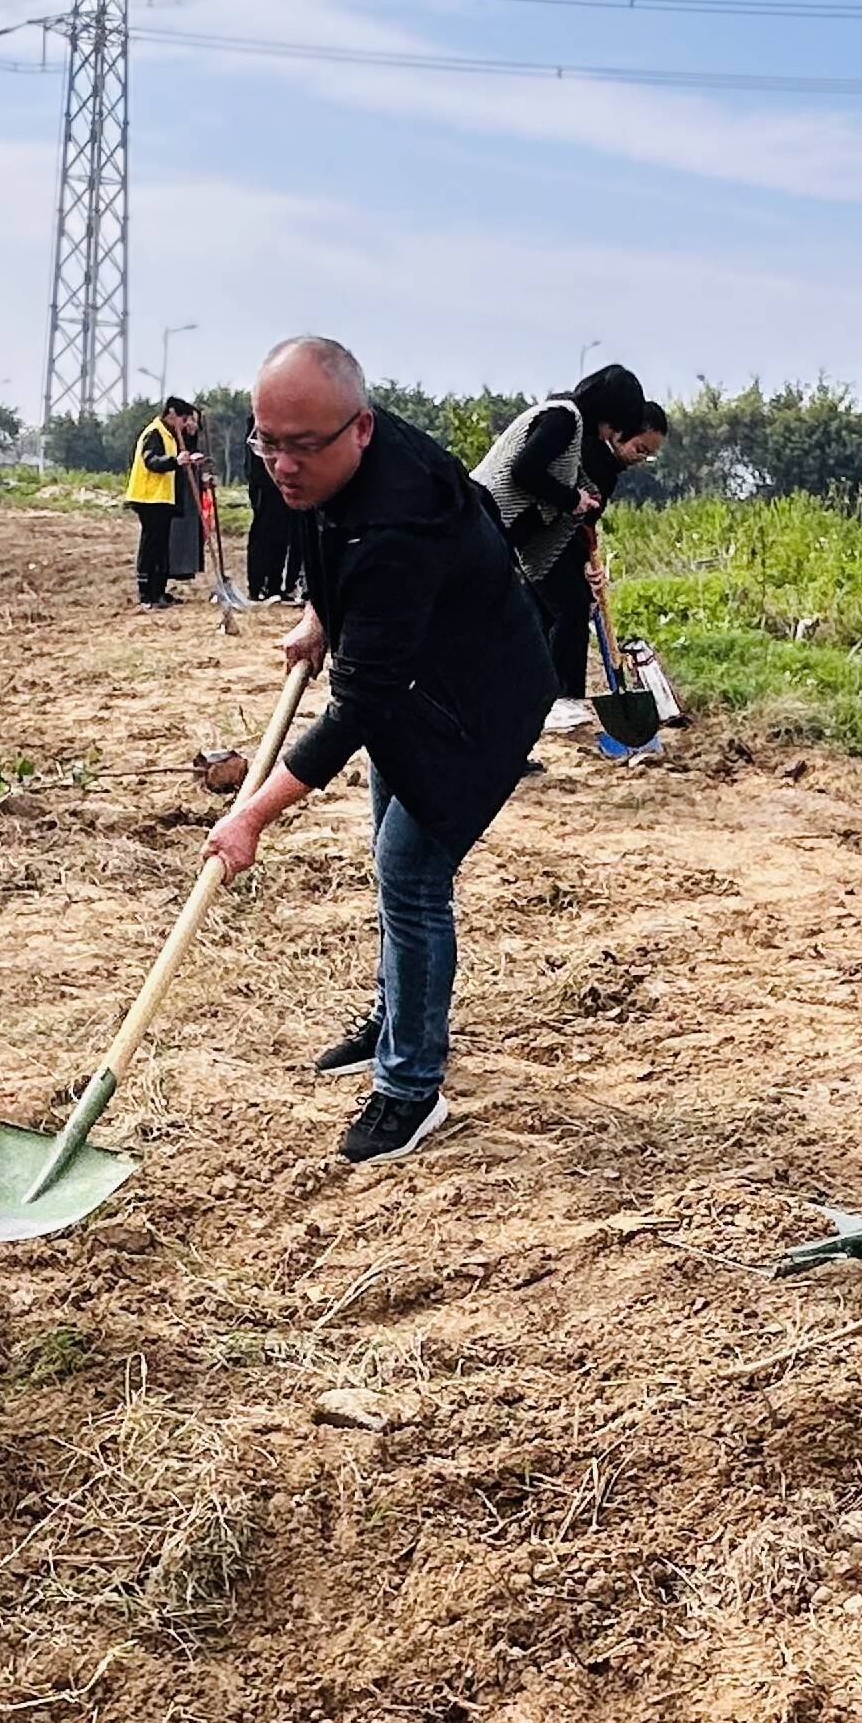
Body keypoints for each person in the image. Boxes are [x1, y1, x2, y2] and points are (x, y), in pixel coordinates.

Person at [205, 338, 556, 1164]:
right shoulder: (342, 449)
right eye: (267, 440)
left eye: (301, 446)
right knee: (388, 859)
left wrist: (252, 814)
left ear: (359, 428)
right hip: (409, 676)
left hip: (479, 703)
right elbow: (349, 551)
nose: (281, 464)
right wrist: (324, 617)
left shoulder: (398, 523)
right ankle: (400, 1012)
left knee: (411, 872)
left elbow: (358, 703)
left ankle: (410, 1088)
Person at [473, 365, 661, 730]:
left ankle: (511, 723)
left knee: (515, 623)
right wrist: (571, 499)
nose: (612, 434)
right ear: (609, 415)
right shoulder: (563, 420)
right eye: (617, 426)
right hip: (484, 525)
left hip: (501, 535)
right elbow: (523, 472)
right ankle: (551, 702)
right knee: (537, 616)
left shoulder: (570, 427)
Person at [127, 397, 207, 610]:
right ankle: (146, 593)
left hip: (163, 499)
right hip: (148, 498)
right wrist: (175, 462)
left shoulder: (170, 436)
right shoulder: (154, 433)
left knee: (162, 547)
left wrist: (187, 459)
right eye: (182, 419)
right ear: (171, 415)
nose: (183, 424)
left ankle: (158, 592)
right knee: (151, 546)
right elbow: (151, 461)